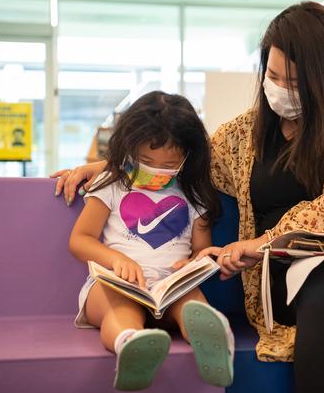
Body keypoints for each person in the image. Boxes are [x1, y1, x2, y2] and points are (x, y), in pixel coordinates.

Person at [54, 2, 324, 393]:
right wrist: (115, 166)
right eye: (273, 76)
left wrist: (259, 242)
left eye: (294, 81)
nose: (279, 89)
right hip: (296, 265)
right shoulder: (249, 131)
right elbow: (188, 158)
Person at [66, 91, 234, 391]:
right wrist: (117, 260)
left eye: (170, 163)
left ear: (188, 156)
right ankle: (131, 343)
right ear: (129, 148)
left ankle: (214, 342)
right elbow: (80, 240)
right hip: (115, 285)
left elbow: (200, 251)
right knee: (122, 309)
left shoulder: (193, 193)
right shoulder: (113, 183)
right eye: (146, 160)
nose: (157, 170)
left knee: (191, 302)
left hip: (170, 288)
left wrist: (195, 263)